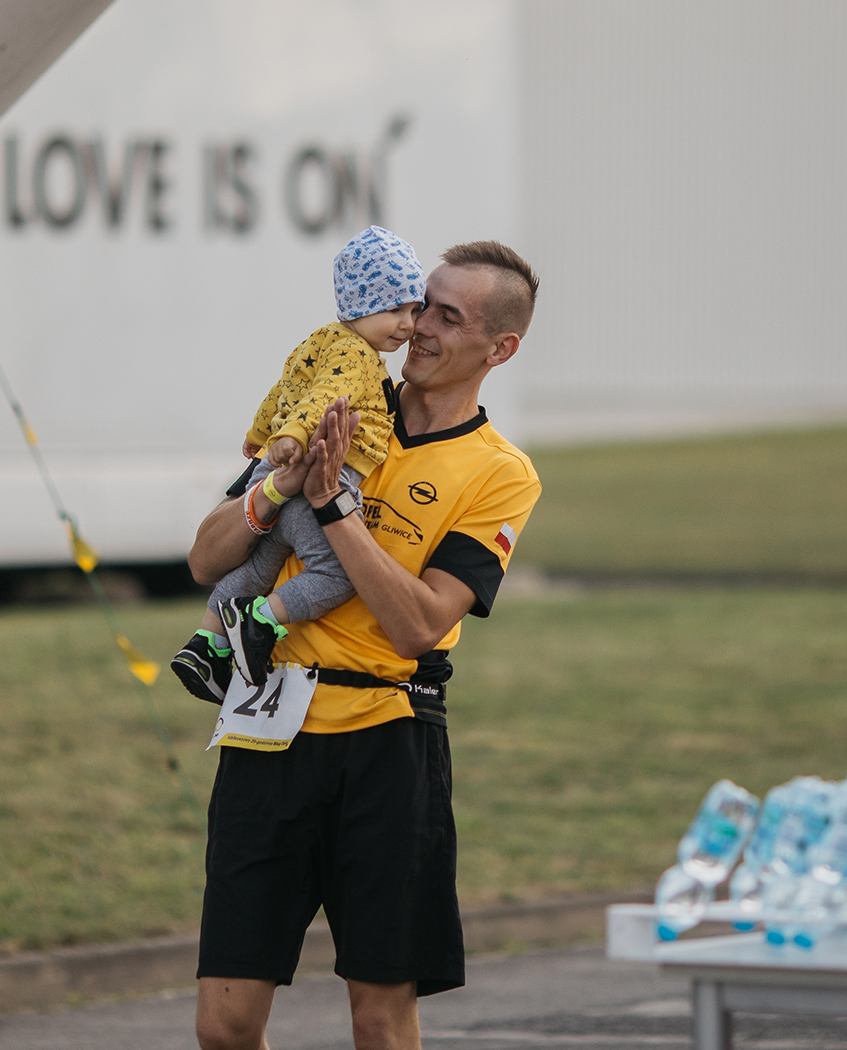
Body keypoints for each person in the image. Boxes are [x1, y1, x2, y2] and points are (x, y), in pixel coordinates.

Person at [188, 241, 542, 1050]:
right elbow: (206, 560)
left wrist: (333, 510)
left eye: (445, 317)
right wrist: (278, 486)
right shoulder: (336, 400)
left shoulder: (500, 472)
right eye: (417, 304)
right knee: (223, 1027)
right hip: (267, 733)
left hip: (387, 743)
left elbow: (420, 624)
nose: (417, 326)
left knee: (379, 1022)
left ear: (500, 349)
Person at [171, 225, 423, 701]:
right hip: (322, 474)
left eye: (414, 310)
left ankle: (207, 642)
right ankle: (260, 621)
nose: (408, 324)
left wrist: (260, 434)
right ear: (359, 304)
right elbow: (322, 399)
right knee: (340, 573)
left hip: (275, 474)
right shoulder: (358, 358)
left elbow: (283, 388)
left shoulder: (319, 340)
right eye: (394, 310)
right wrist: (291, 436)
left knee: (259, 565)